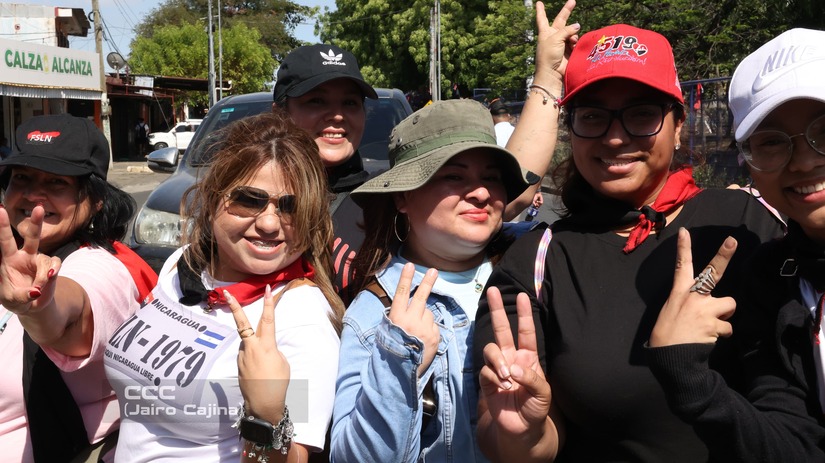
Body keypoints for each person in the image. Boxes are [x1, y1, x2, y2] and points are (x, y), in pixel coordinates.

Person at [473, 2, 787, 461]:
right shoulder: (537, 263)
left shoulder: (754, 221)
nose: (615, 137)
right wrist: (522, 433)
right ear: (571, 129)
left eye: (641, 114)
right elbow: (517, 437)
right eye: (592, 116)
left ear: (678, 125)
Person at [104, 111, 343, 462]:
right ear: (214, 196)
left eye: (291, 207)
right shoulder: (183, 263)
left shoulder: (301, 318)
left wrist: (267, 416)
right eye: (249, 199)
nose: (269, 223)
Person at [645, 28, 825, 461]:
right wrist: (691, 381)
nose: (804, 161)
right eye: (772, 142)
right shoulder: (772, 277)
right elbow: (796, 443)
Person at [330, 98, 536, 462]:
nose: (481, 193)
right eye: (453, 176)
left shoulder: (536, 268)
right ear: (403, 197)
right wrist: (398, 359)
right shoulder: (374, 315)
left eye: (491, 178)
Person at [273, 44, 544, 302]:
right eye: (316, 101)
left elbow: (505, 197)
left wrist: (547, 79)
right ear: (280, 113)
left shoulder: (384, 199)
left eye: (350, 103)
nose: (337, 115)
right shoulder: (252, 199)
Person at [0, 114, 158, 462]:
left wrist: (39, 306)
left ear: (96, 200)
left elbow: (69, 318)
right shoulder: (10, 255)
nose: (33, 194)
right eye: (22, 177)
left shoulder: (101, 266)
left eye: (57, 182)